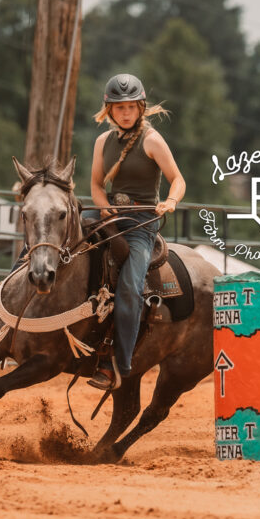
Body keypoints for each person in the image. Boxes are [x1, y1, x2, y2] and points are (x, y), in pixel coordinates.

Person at [84, 73, 186, 390]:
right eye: (119, 108)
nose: (125, 113)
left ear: (141, 107)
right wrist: (103, 206)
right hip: (109, 216)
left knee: (130, 285)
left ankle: (120, 362)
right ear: (109, 110)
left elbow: (178, 180)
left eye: (131, 107)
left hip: (141, 223)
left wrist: (169, 201)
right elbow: (96, 186)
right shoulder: (102, 142)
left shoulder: (152, 141)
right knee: (61, 235)